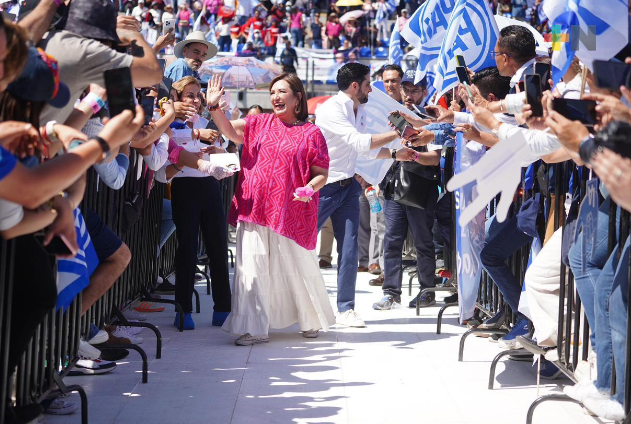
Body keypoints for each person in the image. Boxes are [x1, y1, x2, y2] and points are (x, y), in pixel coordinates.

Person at [204, 73, 335, 345]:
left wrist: (310, 188)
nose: (275, 96)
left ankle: (310, 319)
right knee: (252, 268)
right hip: (254, 208)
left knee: (296, 268)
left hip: (291, 212)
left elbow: (321, 172)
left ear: (298, 97)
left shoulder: (312, 133)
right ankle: (253, 328)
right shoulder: (257, 123)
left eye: (282, 91)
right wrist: (214, 107)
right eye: (272, 91)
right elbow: (228, 131)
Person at [314, 63, 417, 327]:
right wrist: (398, 133)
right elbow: (360, 143)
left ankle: (346, 309)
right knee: (301, 246)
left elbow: (367, 152)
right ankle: (296, 303)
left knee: (348, 251)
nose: (373, 88)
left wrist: (396, 153)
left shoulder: (360, 108)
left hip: (347, 187)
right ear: (355, 86)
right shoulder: (331, 109)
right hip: (323, 186)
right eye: (369, 83)